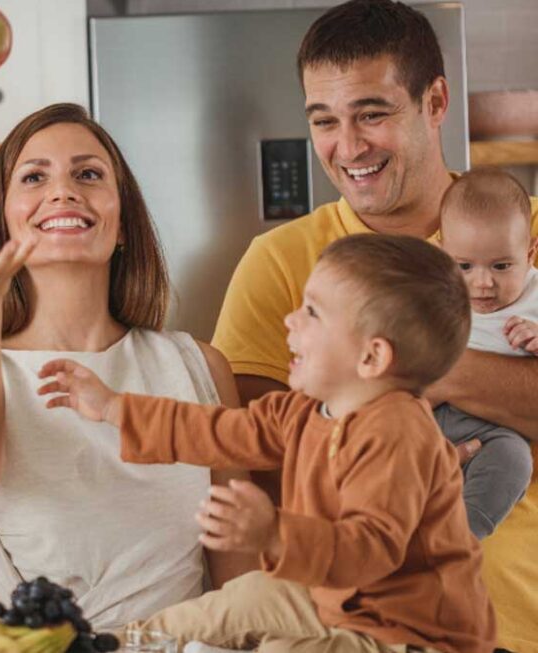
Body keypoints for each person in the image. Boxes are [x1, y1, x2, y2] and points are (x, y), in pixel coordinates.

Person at [208, 1, 538, 647]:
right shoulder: (278, 261)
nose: (348, 147)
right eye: (325, 120)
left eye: (373, 113)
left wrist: (418, 376)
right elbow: (258, 461)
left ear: (435, 100)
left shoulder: (526, 235)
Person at [41, 234, 495, 653]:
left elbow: (368, 551)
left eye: (313, 312)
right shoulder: (301, 412)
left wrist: (274, 531)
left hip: (411, 634)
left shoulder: (398, 435)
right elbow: (214, 431)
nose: (290, 320)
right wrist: (114, 407)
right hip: (330, 598)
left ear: (371, 356)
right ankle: (112, 645)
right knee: (230, 603)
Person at [0, 103, 256, 633]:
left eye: (88, 174)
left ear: (122, 225)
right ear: (3, 221)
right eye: (34, 177)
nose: (63, 191)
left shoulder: (198, 367)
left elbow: (238, 583)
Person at [435, 168, 538, 539]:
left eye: (501, 266)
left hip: (493, 429)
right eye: (464, 266)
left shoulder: (535, 297)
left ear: (529, 254)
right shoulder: (432, 289)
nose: (482, 283)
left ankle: (463, 535)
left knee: (514, 459)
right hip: (424, 414)